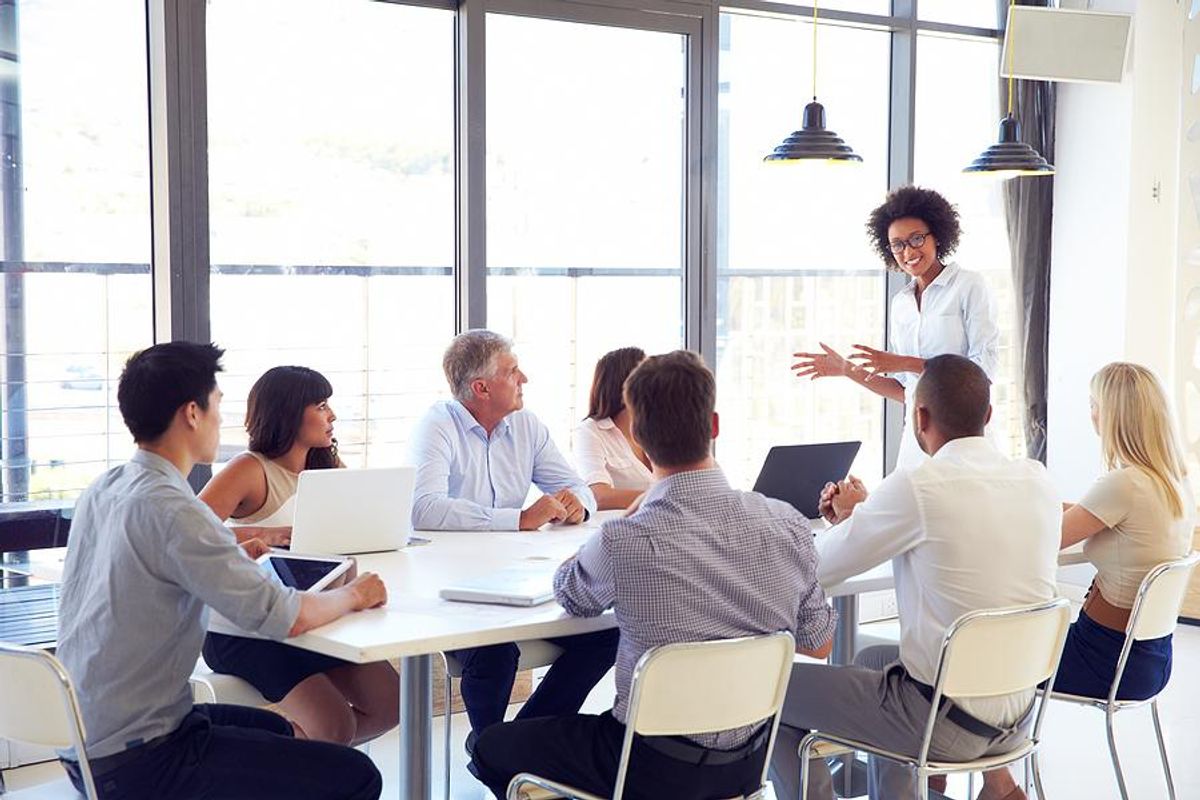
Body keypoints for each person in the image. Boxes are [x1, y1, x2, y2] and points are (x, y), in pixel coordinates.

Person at [471, 350, 837, 799]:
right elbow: (818, 644)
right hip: (746, 766)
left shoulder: (625, 540)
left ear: (639, 437)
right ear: (715, 426)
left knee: (488, 746)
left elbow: (572, 596)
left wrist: (624, 521)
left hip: (647, 769)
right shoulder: (788, 524)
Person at [55, 342, 386, 800]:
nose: (220, 419)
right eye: (217, 405)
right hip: (144, 757)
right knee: (357, 777)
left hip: (90, 738)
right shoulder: (174, 509)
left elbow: (156, 559)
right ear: (192, 413)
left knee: (283, 732)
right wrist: (356, 595)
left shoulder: (108, 487)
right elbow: (285, 616)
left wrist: (229, 550)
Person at [768, 355, 1060, 800]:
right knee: (871, 662)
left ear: (919, 417)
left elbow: (817, 568)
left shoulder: (920, 485)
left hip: (941, 721)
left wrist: (852, 520)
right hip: (1018, 715)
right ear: (988, 415)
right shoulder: (1037, 479)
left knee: (768, 689)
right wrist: (864, 516)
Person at [975, 363, 1196, 798]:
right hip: (1149, 661)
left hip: (1103, 660)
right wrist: (1028, 499)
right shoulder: (1171, 482)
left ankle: (997, 786)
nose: (1091, 415)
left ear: (1113, 414)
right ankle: (994, 784)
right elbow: (1083, 513)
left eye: (1094, 406)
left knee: (983, 660)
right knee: (999, 654)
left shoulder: (1124, 485)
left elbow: (1044, 541)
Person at [410, 329, 619, 749]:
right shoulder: (437, 424)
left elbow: (578, 487)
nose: (524, 378)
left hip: (517, 579)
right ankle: (492, 748)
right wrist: (518, 518)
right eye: (512, 371)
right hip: (456, 589)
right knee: (494, 650)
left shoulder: (526, 425)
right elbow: (423, 507)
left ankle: (515, 742)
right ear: (481, 387)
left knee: (606, 631)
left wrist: (577, 503)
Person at [198, 366, 399, 746]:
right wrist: (259, 533)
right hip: (246, 630)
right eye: (321, 405)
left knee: (392, 704)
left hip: (314, 619)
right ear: (288, 412)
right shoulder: (250, 469)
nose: (332, 416)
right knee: (334, 727)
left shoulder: (328, 471)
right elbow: (187, 533)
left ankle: (301, 763)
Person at [792, 186, 999, 470]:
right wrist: (845, 369)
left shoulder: (968, 285)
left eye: (916, 239)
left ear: (936, 236)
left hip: (964, 439)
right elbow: (906, 391)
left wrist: (903, 362)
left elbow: (983, 370)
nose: (908, 251)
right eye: (898, 244)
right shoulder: (901, 303)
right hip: (917, 438)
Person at [574, 346, 653, 510]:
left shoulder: (658, 430)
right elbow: (598, 496)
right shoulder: (590, 432)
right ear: (626, 386)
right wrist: (663, 498)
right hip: (621, 530)